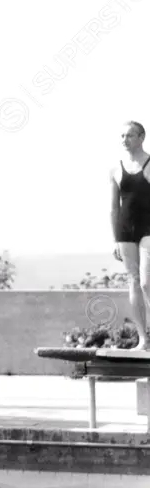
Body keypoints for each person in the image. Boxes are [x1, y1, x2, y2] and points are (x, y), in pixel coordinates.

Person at [110, 120, 150, 351]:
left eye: (130, 135)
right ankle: (143, 339)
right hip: (125, 229)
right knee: (133, 282)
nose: (125, 140)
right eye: (122, 136)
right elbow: (113, 208)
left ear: (141, 137)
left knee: (146, 282)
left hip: (149, 227)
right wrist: (114, 239)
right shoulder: (116, 168)